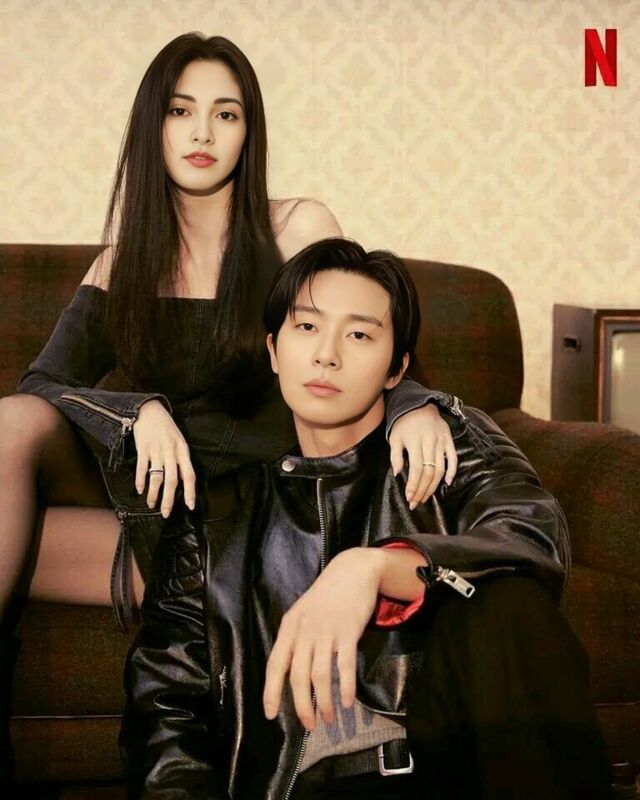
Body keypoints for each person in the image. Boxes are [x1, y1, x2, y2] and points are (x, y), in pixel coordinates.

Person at [0, 34, 457, 786]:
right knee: (12, 426)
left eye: (226, 114)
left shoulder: (294, 229)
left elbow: (360, 336)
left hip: (256, 514)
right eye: (181, 111)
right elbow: (39, 385)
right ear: (153, 126)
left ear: (250, 132)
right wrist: (138, 412)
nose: (203, 133)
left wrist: (415, 404)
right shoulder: (122, 261)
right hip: (156, 507)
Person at [122, 238, 611, 800]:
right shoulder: (215, 510)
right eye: (307, 327)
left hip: (452, 766)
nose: (327, 355)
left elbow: (531, 537)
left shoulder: (445, 447)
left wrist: (376, 567)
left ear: (396, 368)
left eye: (359, 335)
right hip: (301, 786)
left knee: (507, 597)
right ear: (274, 350)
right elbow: (166, 707)